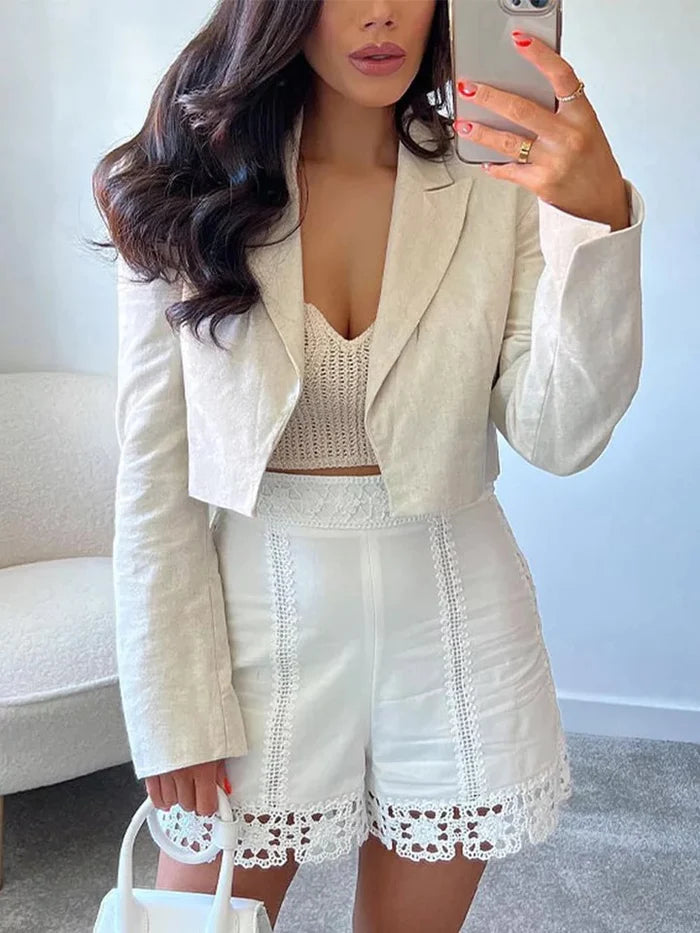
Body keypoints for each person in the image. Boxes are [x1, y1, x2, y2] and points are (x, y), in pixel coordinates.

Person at [92, 1, 644, 929]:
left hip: (458, 619)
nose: (381, 11)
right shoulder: (180, 187)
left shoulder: (493, 181)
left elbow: (560, 433)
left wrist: (592, 222)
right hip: (255, 627)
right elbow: (152, 478)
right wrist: (172, 706)